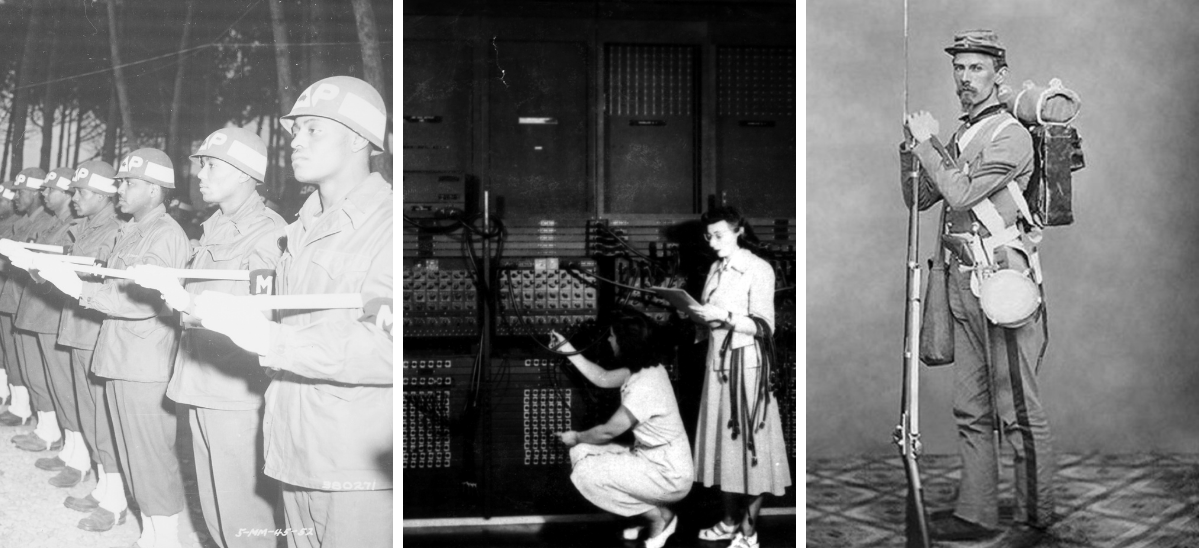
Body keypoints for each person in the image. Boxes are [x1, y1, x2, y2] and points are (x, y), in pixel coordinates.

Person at [189, 75, 393, 548]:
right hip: (293, 444)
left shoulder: (386, 224)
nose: (295, 142)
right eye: (295, 131)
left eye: (313, 130)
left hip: (351, 459)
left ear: (360, 138)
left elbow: (386, 343)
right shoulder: (301, 229)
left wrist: (269, 340)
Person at [901, 29, 1056, 540]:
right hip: (962, 281)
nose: (965, 78)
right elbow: (920, 198)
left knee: (1017, 409)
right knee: (971, 407)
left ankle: (1034, 518)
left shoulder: (1009, 134)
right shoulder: (964, 133)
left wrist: (928, 145)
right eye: (959, 69)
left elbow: (961, 193)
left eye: (976, 68)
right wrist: (912, 149)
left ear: (999, 75)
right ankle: (977, 511)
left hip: (1003, 282)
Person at [132, 126, 286, 548]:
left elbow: (259, 311)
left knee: (242, 517)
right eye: (201, 164)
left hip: (234, 391)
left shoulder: (269, 233)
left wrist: (184, 299)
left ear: (242, 173)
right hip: (199, 382)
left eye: (210, 166)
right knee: (214, 512)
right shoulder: (213, 227)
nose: (199, 174)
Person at [37, 148, 192, 548]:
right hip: (123, 355)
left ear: (155, 192)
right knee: (131, 452)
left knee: (152, 457)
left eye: (129, 183)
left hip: (144, 362)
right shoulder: (133, 230)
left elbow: (141, 299)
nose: (120, 189)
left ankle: (166, 538)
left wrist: (79, 288)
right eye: (120, 181)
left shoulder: (165, 234)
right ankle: (152, 534)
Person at [686, 205, 791, 548]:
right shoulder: (716, 268)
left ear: (738, 231)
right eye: (709, 236)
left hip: (747, 369)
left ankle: (749, 531)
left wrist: (722, 315)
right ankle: (729, 521)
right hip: (717, 367)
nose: (713, 242)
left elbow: (764, 326)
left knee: (753, 451)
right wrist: (694, 314)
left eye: (719, 235)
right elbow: (709, 317)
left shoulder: (757, 269)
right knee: (725, 449)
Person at [549, 313, 693, 548]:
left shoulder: (645, 385)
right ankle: (648, 514)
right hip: (653, 460)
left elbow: (607, 432)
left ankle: (658, 518)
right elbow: (602, 377)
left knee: (586, 471)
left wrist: (575, 436)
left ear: (626, 342)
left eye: (613, 337)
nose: (609, 341)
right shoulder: (647, 369)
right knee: (581, 451)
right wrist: (566, 347)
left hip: (668, 475)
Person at [55, 160, 128, 532]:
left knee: (101, 418)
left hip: (94, 332)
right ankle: (103, 486)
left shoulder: (114, 230)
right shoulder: (85, 227)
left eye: (81, 192)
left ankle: (116, 499)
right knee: (87, 413)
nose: (74, 197)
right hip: (77, 326)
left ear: (102, 195)